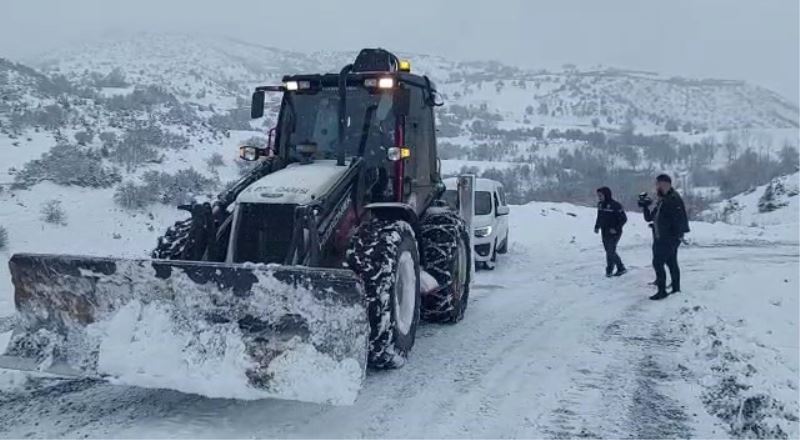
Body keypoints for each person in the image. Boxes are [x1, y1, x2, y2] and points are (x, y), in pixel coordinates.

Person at [641, 174, 690, 300]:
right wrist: (645, 206)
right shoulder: (663, 199)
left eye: (658, 184)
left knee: (658, 263)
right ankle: (675, 287)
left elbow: (680, 220)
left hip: (668, 238)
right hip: (660, 236)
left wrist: (677, 236)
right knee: (671, 262)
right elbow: (650, 218)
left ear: (665, 184)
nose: (656, 186)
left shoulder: (673, 199)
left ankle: (662, 291)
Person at [594, 186, 627, 277]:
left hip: (615, 232)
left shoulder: (615, 205)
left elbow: (623, 219)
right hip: (604, 231)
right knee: (608, 250)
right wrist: (597, 226)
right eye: (598, 195)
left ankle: (614, 269)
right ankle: (616, 268)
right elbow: (599, 216)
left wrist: (616, 228)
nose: (599, 197)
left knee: (610, 250)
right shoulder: (600, 205)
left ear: (606, 195)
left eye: (600, 195)